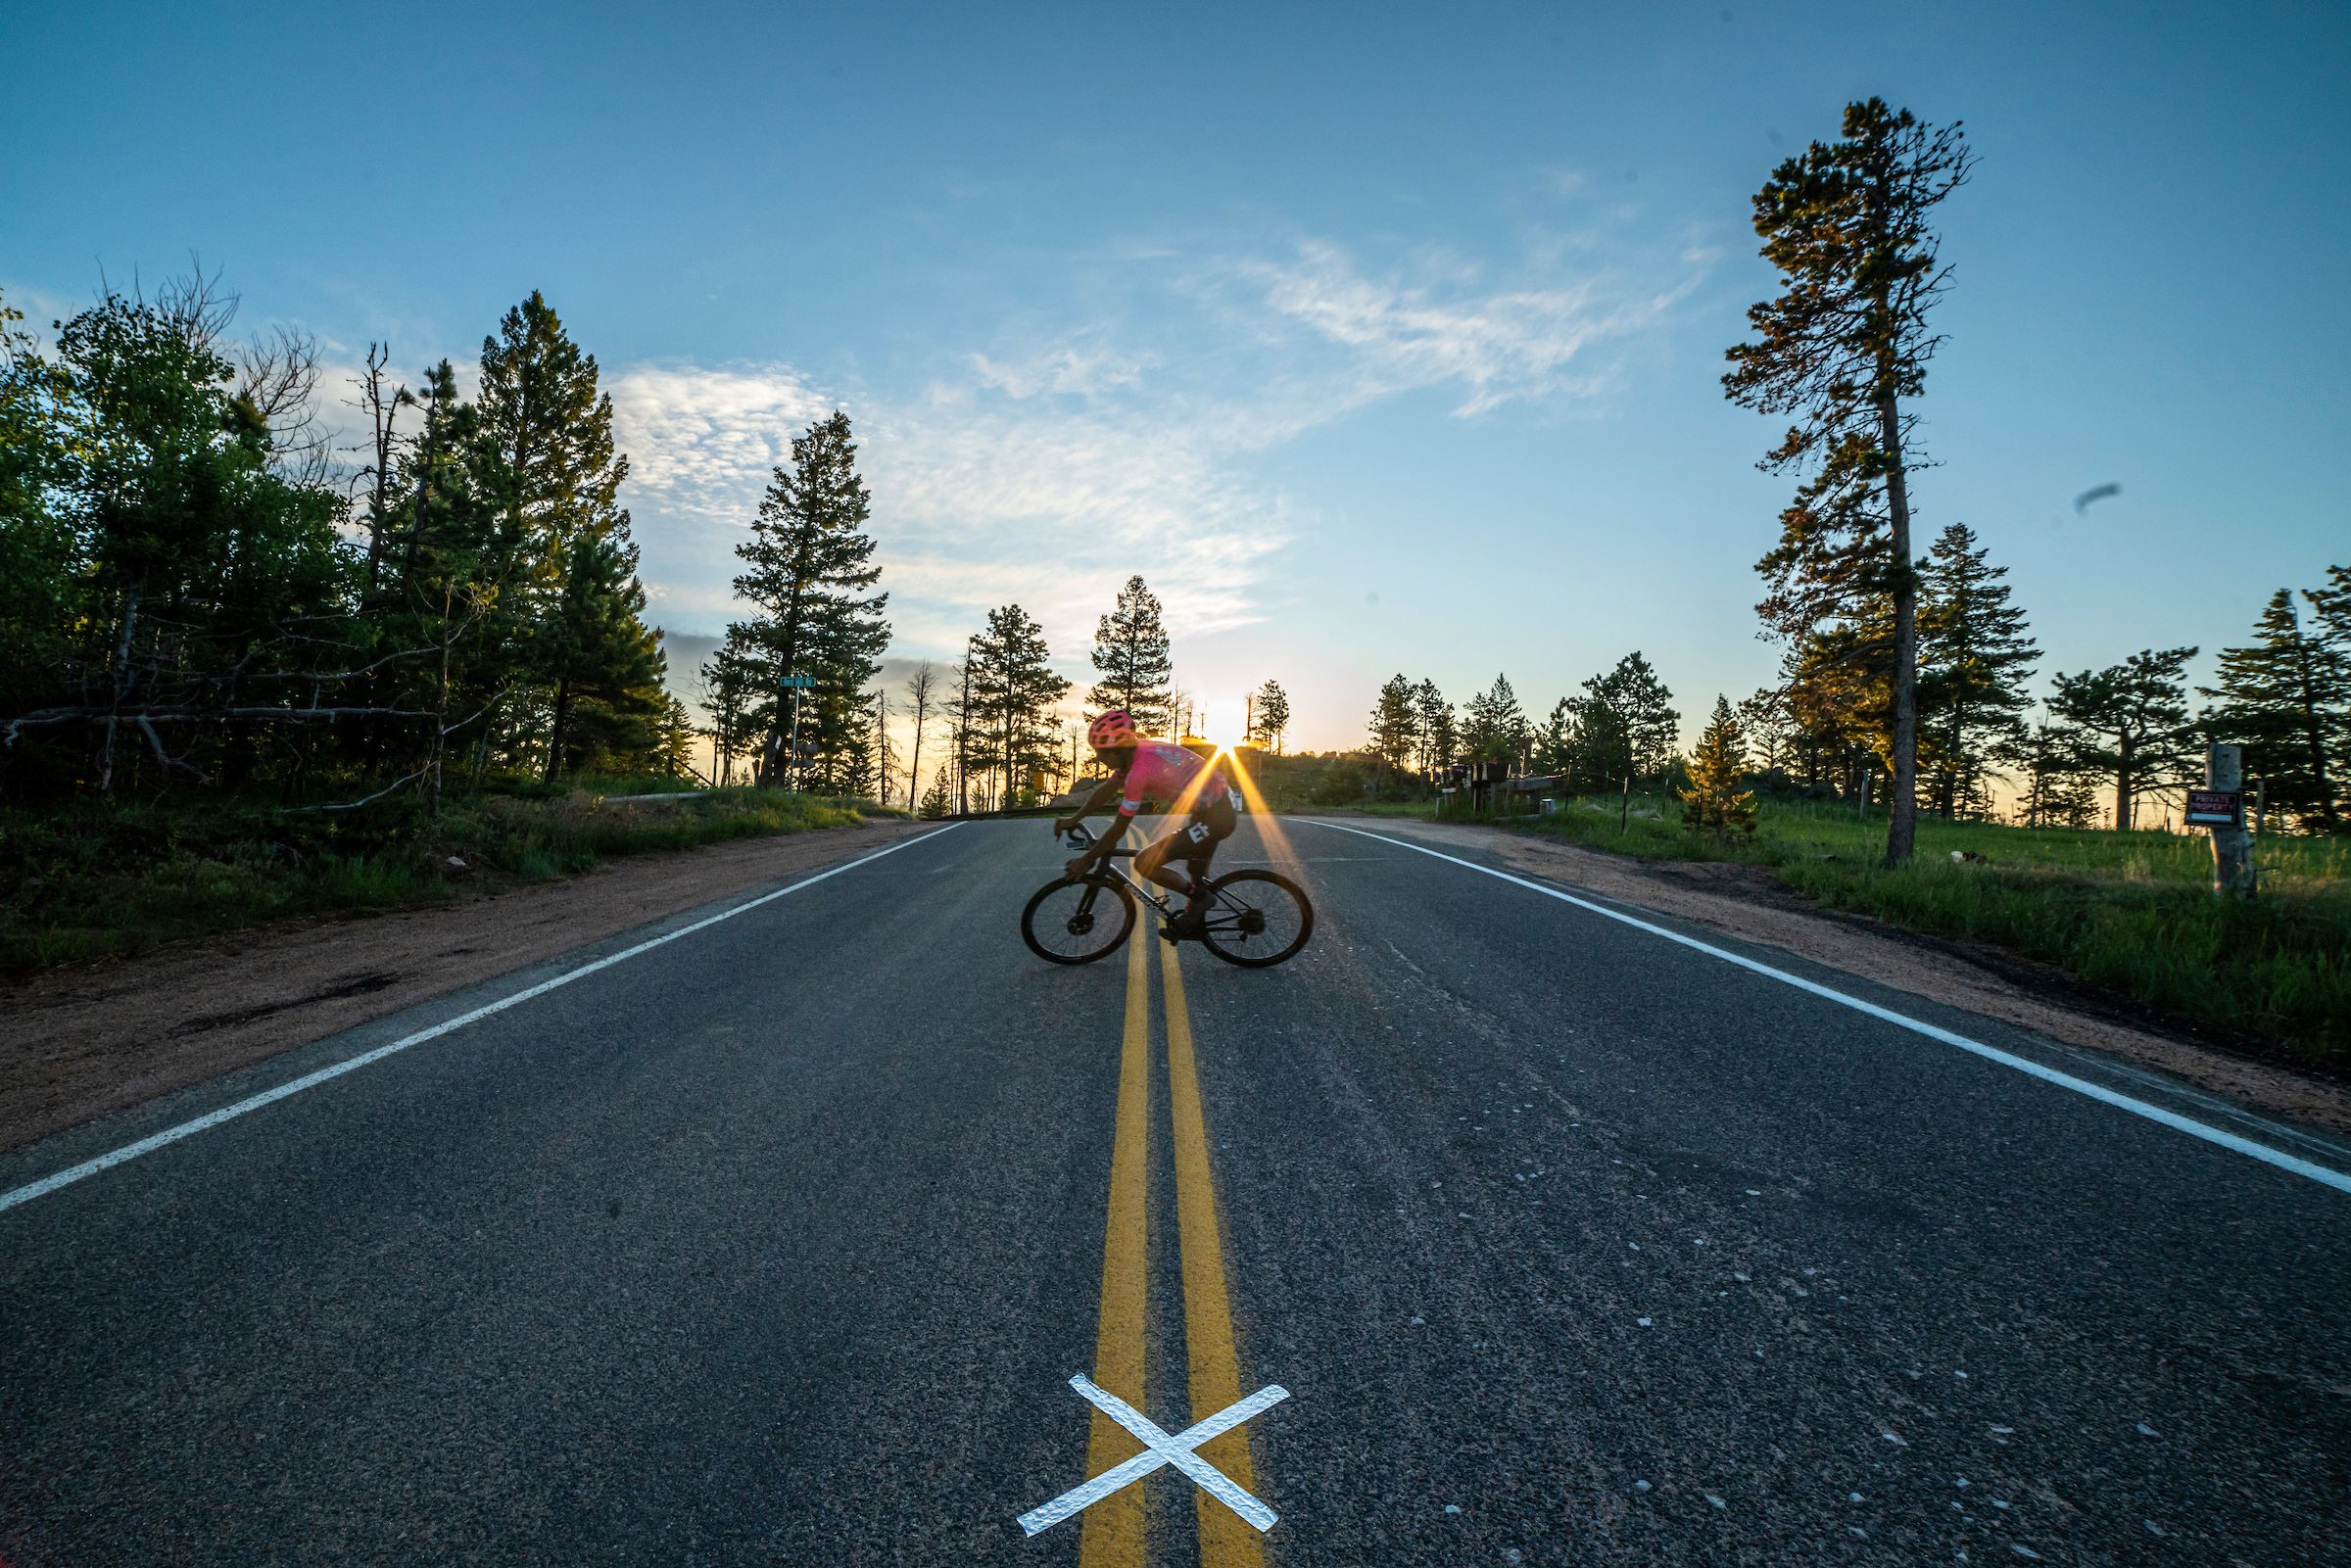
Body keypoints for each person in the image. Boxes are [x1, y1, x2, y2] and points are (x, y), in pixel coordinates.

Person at [1053, 709, 1241, 938]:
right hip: (1213, 806)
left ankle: (1201, 900)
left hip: (1218, 815)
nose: (1099, 758)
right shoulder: (1134, 756)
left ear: (1119, 749)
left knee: (1145, 863)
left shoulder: (1139, 772)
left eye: (1102, 752)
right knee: (1195, 870)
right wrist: (1074, 819)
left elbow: (1119, 828)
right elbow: (1105, 791)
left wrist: (1086, 860)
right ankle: (1194, 920)